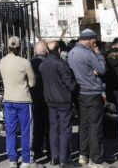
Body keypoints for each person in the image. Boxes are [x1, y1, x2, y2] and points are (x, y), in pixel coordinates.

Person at [67, 29, 108, 168]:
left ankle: (82, 155)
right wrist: (99, 54)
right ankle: (95, 159)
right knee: (95, 126)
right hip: (92, 92)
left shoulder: (72, 52)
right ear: (88, 39)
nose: (95, 44)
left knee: (83, 125)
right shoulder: (88, 53)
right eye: (94, 41)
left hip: (80, 93)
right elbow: (102, 70)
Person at [0, 36, 40, 168]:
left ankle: (12, 159)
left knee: (10, 131)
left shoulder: (2, 61)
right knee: (26, 131)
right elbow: (33, 83)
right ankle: (27, 160)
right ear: (20, 47)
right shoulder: (25, 62)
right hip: (23, 99)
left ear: (7, 47)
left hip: (8, 98)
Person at [39, 40, 76, 168]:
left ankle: (55, 157)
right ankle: (63, 159)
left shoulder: (43, 64)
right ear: (59, 50)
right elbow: (70, 83)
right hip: (63, 100)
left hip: (50, 100)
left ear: (47, 51)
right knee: (65, 129)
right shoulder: (61, 64)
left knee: (54, 128)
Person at [31, 41, 49, 162]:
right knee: (49, 125)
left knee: (37, 125)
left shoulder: (30, 64)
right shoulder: (50, 63)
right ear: (46, 51)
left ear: (35, 52)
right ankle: (50, 149)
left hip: (34, 98)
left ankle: (37, 149)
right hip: (49, 98)